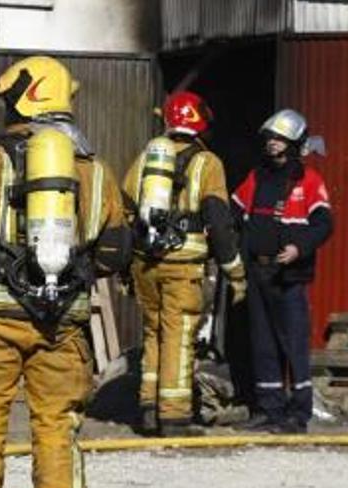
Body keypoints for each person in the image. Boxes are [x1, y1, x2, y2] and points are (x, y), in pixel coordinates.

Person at [0, 55, 131, 488]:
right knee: (58, 431)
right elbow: (117, 255)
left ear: (24, 100)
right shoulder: (96, 171)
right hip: (63, 326)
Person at [122, 90, 246, 436]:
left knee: (153, 333)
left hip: (145, 262)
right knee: (179, 335)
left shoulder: (148, 156)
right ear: (201, 121)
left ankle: (148, 407)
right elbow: (218, 222)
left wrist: (125, 266)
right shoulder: (209, 163)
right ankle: (174, 416)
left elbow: (126, 206)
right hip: (183, 263)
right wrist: (235, 272)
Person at [231, 109, 333, 433]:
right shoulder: (256, 177)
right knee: (262, 343)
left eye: (279, 139)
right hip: (258, 273)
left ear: (293, 143)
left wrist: (298, 248)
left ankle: (298, 413)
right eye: (270, 138)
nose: (272, 144)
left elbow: (324, 225)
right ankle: (269, 410)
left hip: (289, 277)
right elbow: (234, 211)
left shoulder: (308, 181)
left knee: (293, 344)